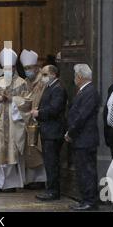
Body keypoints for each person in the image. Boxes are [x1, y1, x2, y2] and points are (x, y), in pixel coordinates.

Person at [0, 49, 29, 193]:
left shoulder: (22, 83)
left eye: (10, 68)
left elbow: (28, 102)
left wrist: (12, 100)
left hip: (13, 124)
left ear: (15, 68)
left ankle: (9, 184)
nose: (7, 70)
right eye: (5, 68)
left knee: (11, 154)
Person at [65, 64, 100, 211]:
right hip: (81, 139)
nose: (74, 79)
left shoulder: (90, 92)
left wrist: (70, 132)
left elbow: (82, 116)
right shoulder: (83, 91)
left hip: (85, 139)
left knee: (87, 171)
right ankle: (85, 199)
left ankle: (90, 201)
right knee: (82, 170)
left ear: (79, 76)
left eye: (75, 76)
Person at [33, 65, 68, 201]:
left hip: (54, 132)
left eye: (45, 74)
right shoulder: (50, 87)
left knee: (52, 163)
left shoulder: (58, 88)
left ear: (53, 74)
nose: (42, 77)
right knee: (49, 162)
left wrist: (39, 113)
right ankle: (51, 189)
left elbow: (55, 109)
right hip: (48, 131)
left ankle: (53, 191)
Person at [19, 49, 47, 190]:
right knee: (29, 150)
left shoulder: (42, 80)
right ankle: (30, 180)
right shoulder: (26, 81)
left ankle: (41, 179)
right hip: (28, 120)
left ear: (36, 67)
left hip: (38, 119)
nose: (27, 71)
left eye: (29, 68)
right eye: (25, 68)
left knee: (38, 149)